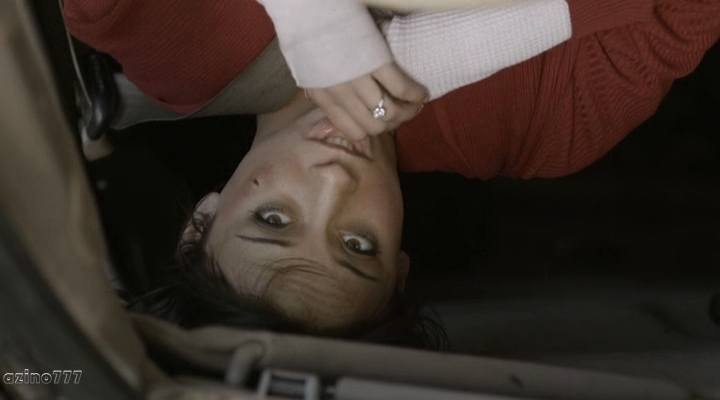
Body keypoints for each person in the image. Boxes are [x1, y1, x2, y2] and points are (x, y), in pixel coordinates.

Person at [63, 0, 720, 345]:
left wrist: (312, 12)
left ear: (202, 220)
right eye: (358, 245)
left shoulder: (158, 31)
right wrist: (425, 58)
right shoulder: (544, 123)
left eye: (274, 219)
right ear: (401, 265)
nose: (334, 181)